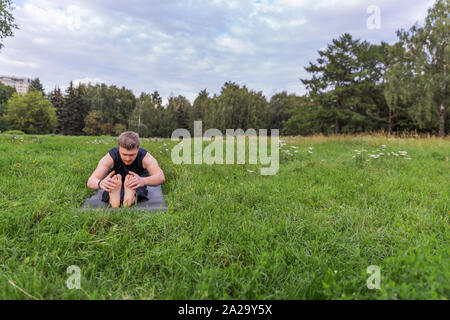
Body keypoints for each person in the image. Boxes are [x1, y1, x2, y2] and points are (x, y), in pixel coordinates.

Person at [87, 131, 165, 208]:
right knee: (111, 187)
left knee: (137, 190)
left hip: (136, 181)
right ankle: (115, 198)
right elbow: (91, 180)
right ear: (119, 148)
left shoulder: (146, 157)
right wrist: (100, 183)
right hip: (116, 181)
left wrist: (143, 181)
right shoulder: (110, 157)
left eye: (132, 155)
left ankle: (130, 197)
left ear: (138, 149)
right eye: (124, 154)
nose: (128, 159)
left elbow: (160, 177)